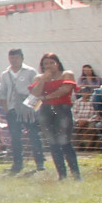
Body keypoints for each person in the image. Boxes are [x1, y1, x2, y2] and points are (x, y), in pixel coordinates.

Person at [32, 52, 81, 182]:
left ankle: (76, 174)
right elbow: (36, 92)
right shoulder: (39, 77)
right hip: (46, 111)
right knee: (53, 143)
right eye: (45, 64)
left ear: (57, 63)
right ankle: (62, 175)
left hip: (62, 110)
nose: (48, 66)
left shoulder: (66, 74)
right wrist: (43, 79)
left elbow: (65, 89)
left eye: (51, 63)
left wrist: (47, 97)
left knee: (65, 142)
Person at [0, 48, 44, 174]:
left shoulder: (30, 72)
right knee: (15, 137)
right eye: (11, 58)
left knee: (34, 135)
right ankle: (17, 163)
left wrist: (32, 107)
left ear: (22, 58)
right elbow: (3, 92)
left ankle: (39, 162)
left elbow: (37, 90)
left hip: (28, 108)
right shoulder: (5, 74)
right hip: (12, 109)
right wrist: (6, 109)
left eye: (16, 57)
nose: (14, 60)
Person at [76, 63, 102, 150]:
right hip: (79, 120)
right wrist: (78, 120)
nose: (85, 93)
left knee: (92, 127)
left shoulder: (94, 101)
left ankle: (87, 146)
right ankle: (78, 146)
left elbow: (96, 114)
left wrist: (87, 120)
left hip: (90, 120)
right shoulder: (78, 102)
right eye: (85, 70)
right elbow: (73, 112)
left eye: (88, 69)